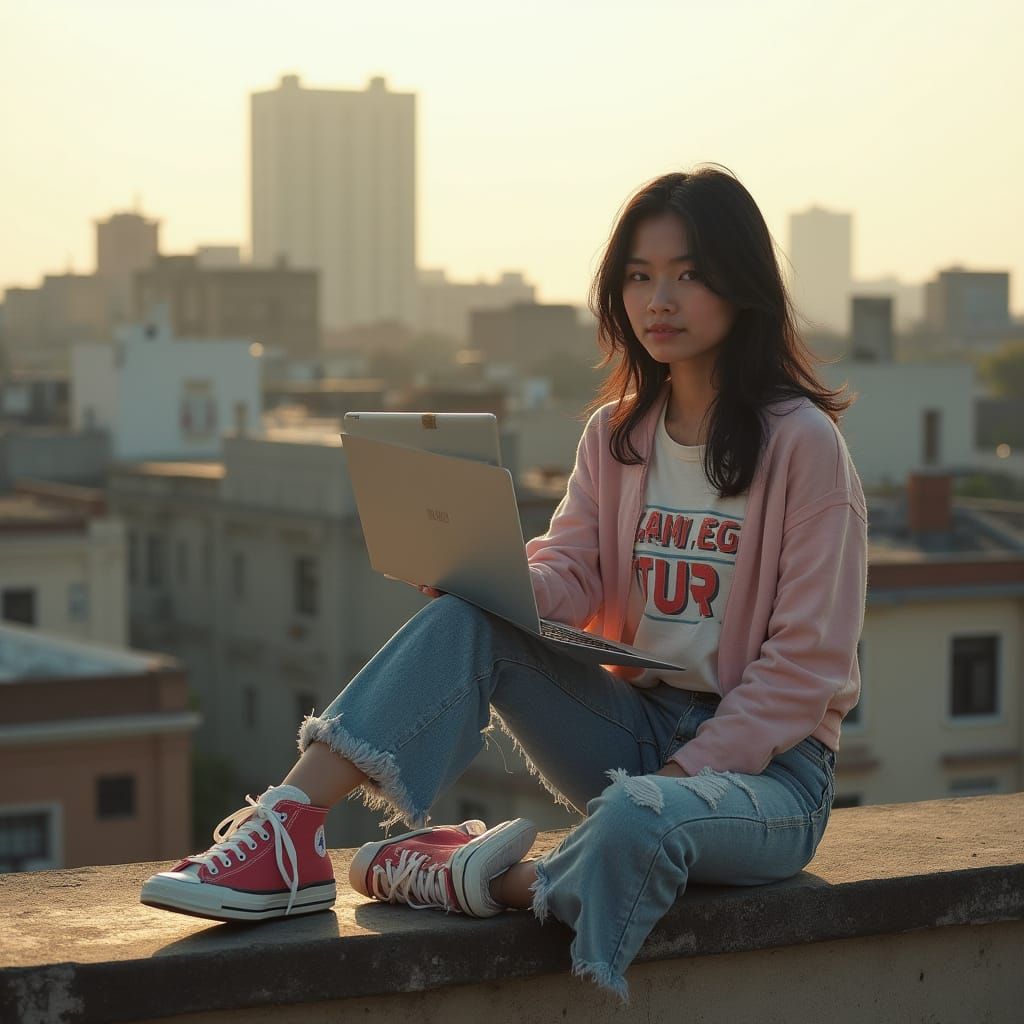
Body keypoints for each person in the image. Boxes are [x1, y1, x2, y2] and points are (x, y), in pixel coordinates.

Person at [141, 164, 867, 1005]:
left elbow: (804, 668)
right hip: (635, 728)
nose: (657, 299)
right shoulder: (619, 432)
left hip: (769, 777)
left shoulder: (803, 446)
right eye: (639, 276)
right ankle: (286, 831)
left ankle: (482, 878)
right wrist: (487, 577)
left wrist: (678, 776)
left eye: (688, 273)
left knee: (636, 822)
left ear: (741, 284)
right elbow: (572, 569)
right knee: (465, 623)